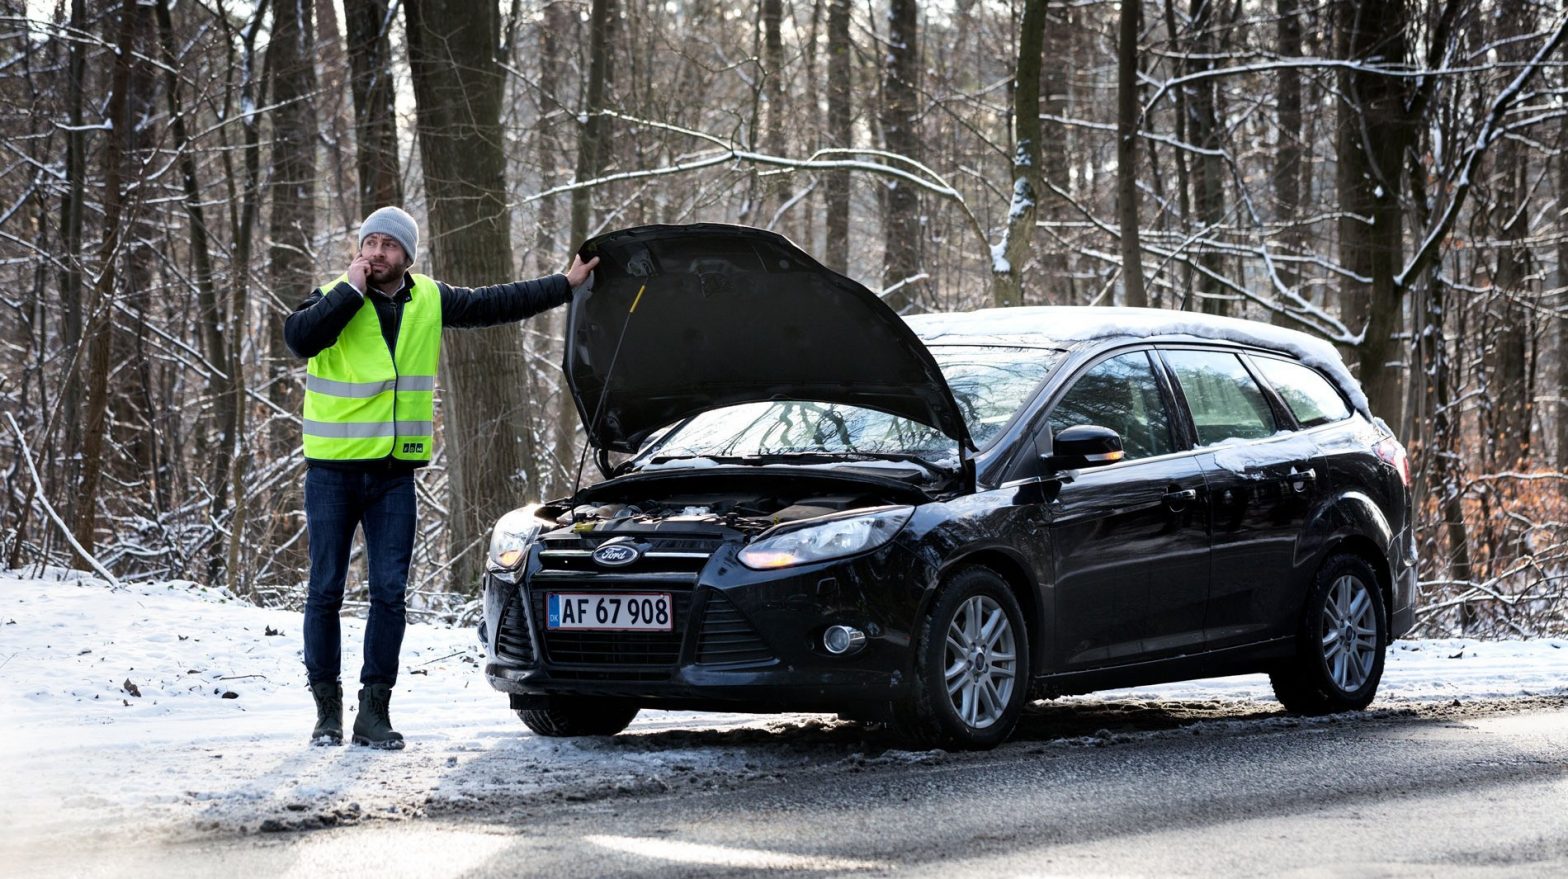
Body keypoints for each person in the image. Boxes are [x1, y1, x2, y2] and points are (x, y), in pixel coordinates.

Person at [283, 206, 597, 749]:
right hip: (332, 474)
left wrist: (564, 285)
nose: (376, 252)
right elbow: (300, 339)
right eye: (370, 243)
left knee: (389, 594)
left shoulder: (428, 298)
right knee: (325, 591)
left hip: (393, 476)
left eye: (388, 245)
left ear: (407, 255)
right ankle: (326, 712)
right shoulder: (335, 293)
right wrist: (349, 291)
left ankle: (373, 712)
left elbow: (494, 302)